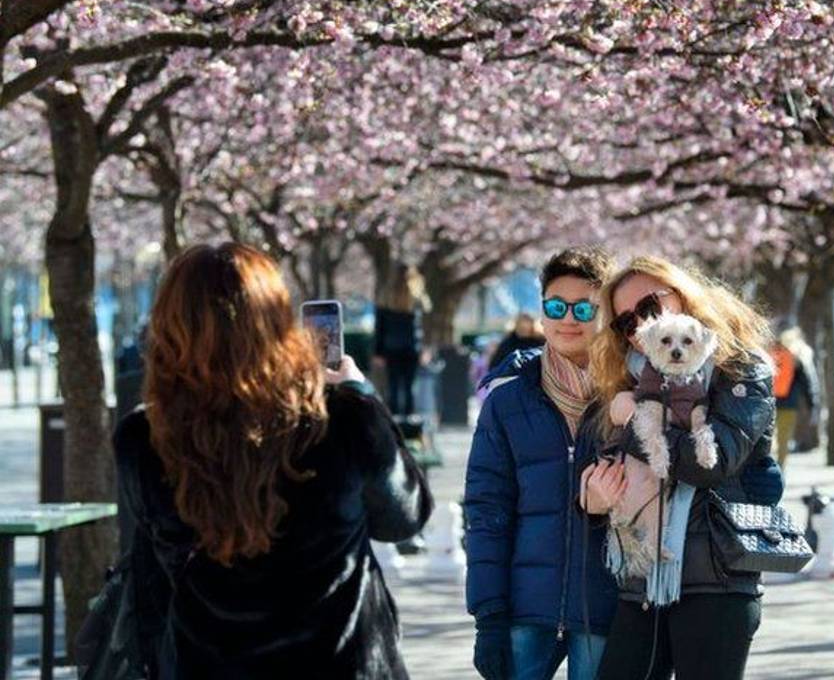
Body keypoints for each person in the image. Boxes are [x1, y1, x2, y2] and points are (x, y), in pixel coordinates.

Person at [114, 243, 432, 679]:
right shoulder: (341, 418)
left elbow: (157, 566)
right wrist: (363, 396)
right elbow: (403, 519)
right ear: (277, 323)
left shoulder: (145, 439)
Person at [580, 256, 781, 680]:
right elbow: (600, 469)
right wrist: (591, 499)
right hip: (642, 578)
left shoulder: (742, 370)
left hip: (717, 577)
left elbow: (711, 463)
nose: (640, 325)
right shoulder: (627, 381)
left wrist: (635, 421)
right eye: (625, 322)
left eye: (652, 304)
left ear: (684, 295)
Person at [465, 247, 619, 680]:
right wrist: (489, 615)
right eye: (556, 306)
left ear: (603, 314)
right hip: (524, 608)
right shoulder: (508, 400)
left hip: (604, 607)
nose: (569, 318)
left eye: (584, 307)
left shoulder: (629, 397)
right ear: (542, 312)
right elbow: (486, 510)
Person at [372, 266, 429, 437]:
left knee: (394, 385)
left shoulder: (386, 299)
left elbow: (379, 329)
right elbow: (419, 329)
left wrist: (378, 352)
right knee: (410, 386)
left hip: (391, 349)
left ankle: (394, 425)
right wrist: (422, 349)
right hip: (411, 349)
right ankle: (410, 424)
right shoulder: (416, 299)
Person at [769, 326, 818, 467]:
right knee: (783, 438)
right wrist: (811, 403)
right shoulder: (796, 357)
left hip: (769, 402)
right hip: (789, 404)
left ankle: (766, 466)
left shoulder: (773, 353)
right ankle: (780, 468)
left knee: (769, 436)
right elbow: (806, 382)